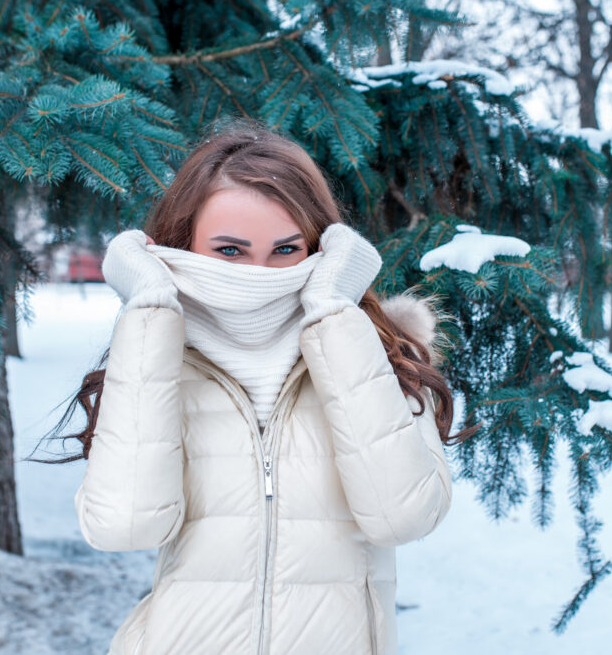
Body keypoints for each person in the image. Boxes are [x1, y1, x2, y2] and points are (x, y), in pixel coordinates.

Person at [48, 120, 469, 654]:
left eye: (286, 249)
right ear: (186, 244)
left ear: (319, 248)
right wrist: (151, 313)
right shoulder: (157, 361)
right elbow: (124, 527)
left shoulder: (383, 360)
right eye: (229, 251)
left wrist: (336, 318)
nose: (259, 274)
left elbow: (401, 516)